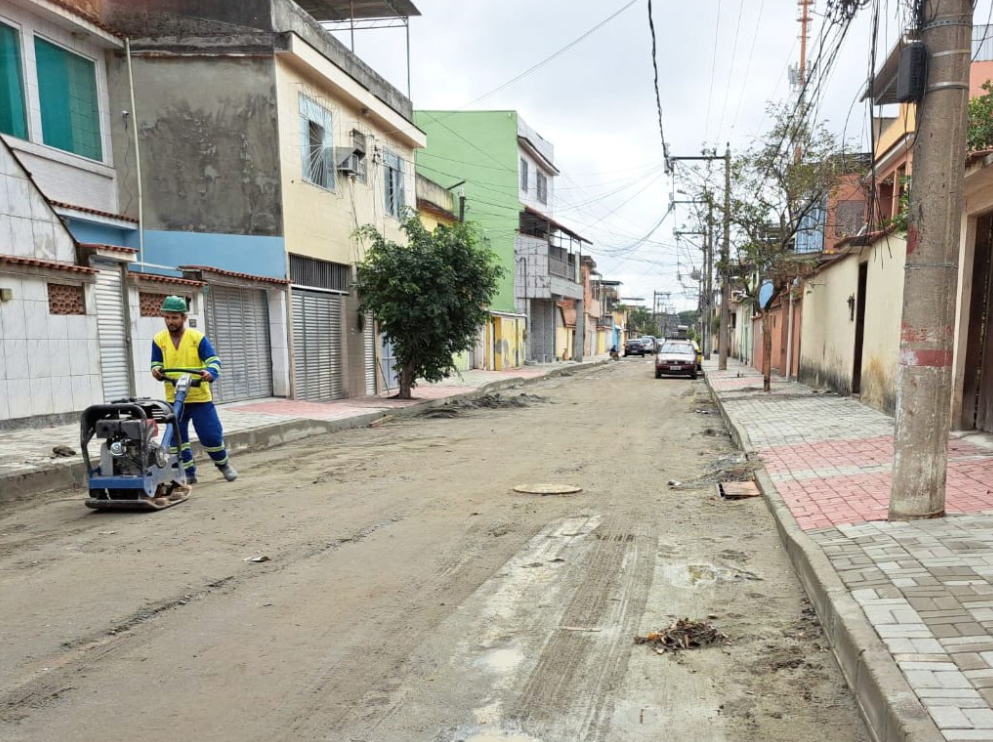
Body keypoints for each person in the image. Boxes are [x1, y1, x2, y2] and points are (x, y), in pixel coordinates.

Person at [151, 296, 237, 485]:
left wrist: (210, 373)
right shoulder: (158, 340)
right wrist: (156, 371)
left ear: (183, 317)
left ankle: (223, 465)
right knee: (176, 442)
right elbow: (156, 363)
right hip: (174, 400)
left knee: (211, 435)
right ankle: (188, 473)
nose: (170, 321)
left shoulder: (197, 338)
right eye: (167, 317)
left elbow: (214, 360)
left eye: (174, 318)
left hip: (199, 398)